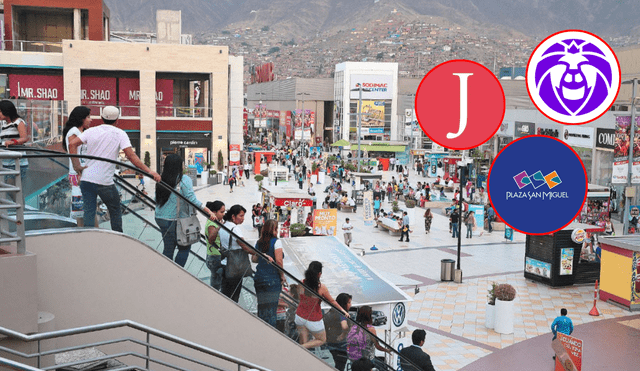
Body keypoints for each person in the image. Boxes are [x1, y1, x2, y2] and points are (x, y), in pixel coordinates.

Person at [69, 106, 160, 232]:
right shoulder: (120, 134)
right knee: (115, 209)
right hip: (104, 182)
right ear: (117, 120)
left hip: (87, 179)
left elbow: (72, 144)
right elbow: (132, 157)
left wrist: (76, 166)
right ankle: (118, 237)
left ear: (101, 118)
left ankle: (88, 240)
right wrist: (149, 171)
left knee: (89, 212)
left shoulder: (91, 131)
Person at [155, 154, 215, 267]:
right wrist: (208, 211)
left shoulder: (161, 179)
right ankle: (177, 273)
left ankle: (165, 272)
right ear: (178, 166)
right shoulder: (184, 179)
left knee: (168, 248)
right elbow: (192, 199)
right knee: (185, 247)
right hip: (173, 220)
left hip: (160, 218)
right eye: (182, 164)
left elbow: (156, 199)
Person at [295, 261, 349, 349]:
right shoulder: (321, 287)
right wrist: (342, 310)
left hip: (299, 315)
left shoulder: (301, 283)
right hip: (313, 319)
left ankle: (300, 350)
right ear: (319, 274)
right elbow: (332, 302)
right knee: (321, 339)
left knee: (304, 341)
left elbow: (300, 297)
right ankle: (298, 348)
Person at [219, 205, 259, 302]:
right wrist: (258, 253)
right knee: (234, 294)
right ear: (233, 216)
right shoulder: (235, 229)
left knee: (226, 292)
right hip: (234, 267)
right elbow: (244, 246)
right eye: (241, 216)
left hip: (225, 263)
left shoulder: (223, 226)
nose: (243, 219)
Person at [252, 219, 285, 328]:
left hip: (259, 278)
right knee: (271, 311)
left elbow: (254, 259)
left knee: (261, 308)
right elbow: (279, 261)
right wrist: (282, 276)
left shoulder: (259, 242)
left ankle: (261, 330)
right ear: (274, 229)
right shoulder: (276, 242)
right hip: (272, 279)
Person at [62, 106, 92, 226]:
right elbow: (72, 149)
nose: (91, 120)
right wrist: (77, 167)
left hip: (81, 173)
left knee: (83, 206)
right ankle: (79, 230)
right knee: (79, 208)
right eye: (88, 117)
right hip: (78, 174)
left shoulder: (80, 132)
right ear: (81, 118)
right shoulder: (74, 131)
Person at [0, 100, 30, 185]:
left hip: (17, 162)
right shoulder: (4, 125)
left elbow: (24, 138)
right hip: (6, 162)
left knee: (12, 190)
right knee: (10, 190)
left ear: (6, 110)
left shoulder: (18, 122)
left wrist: (13, 142)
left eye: (0, 111)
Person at [324, 293, 353, 371]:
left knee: (336, 365)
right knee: (340, 366)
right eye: (349, 302)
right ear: (343, 304)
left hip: (330, 343)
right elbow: (345, 327)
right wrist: (342, 335)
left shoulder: (330, 312)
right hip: (341, 345)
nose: (350, 305)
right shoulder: (342, 314)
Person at [205, 200, 226, 290]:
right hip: (215, 256)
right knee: (216, 282)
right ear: (214, 212)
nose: (223, 214)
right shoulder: (212, 224)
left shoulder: (216, 222)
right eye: (221, 212)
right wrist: (219, 227)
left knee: (216, 279)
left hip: (214, 256)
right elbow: (211, 239)